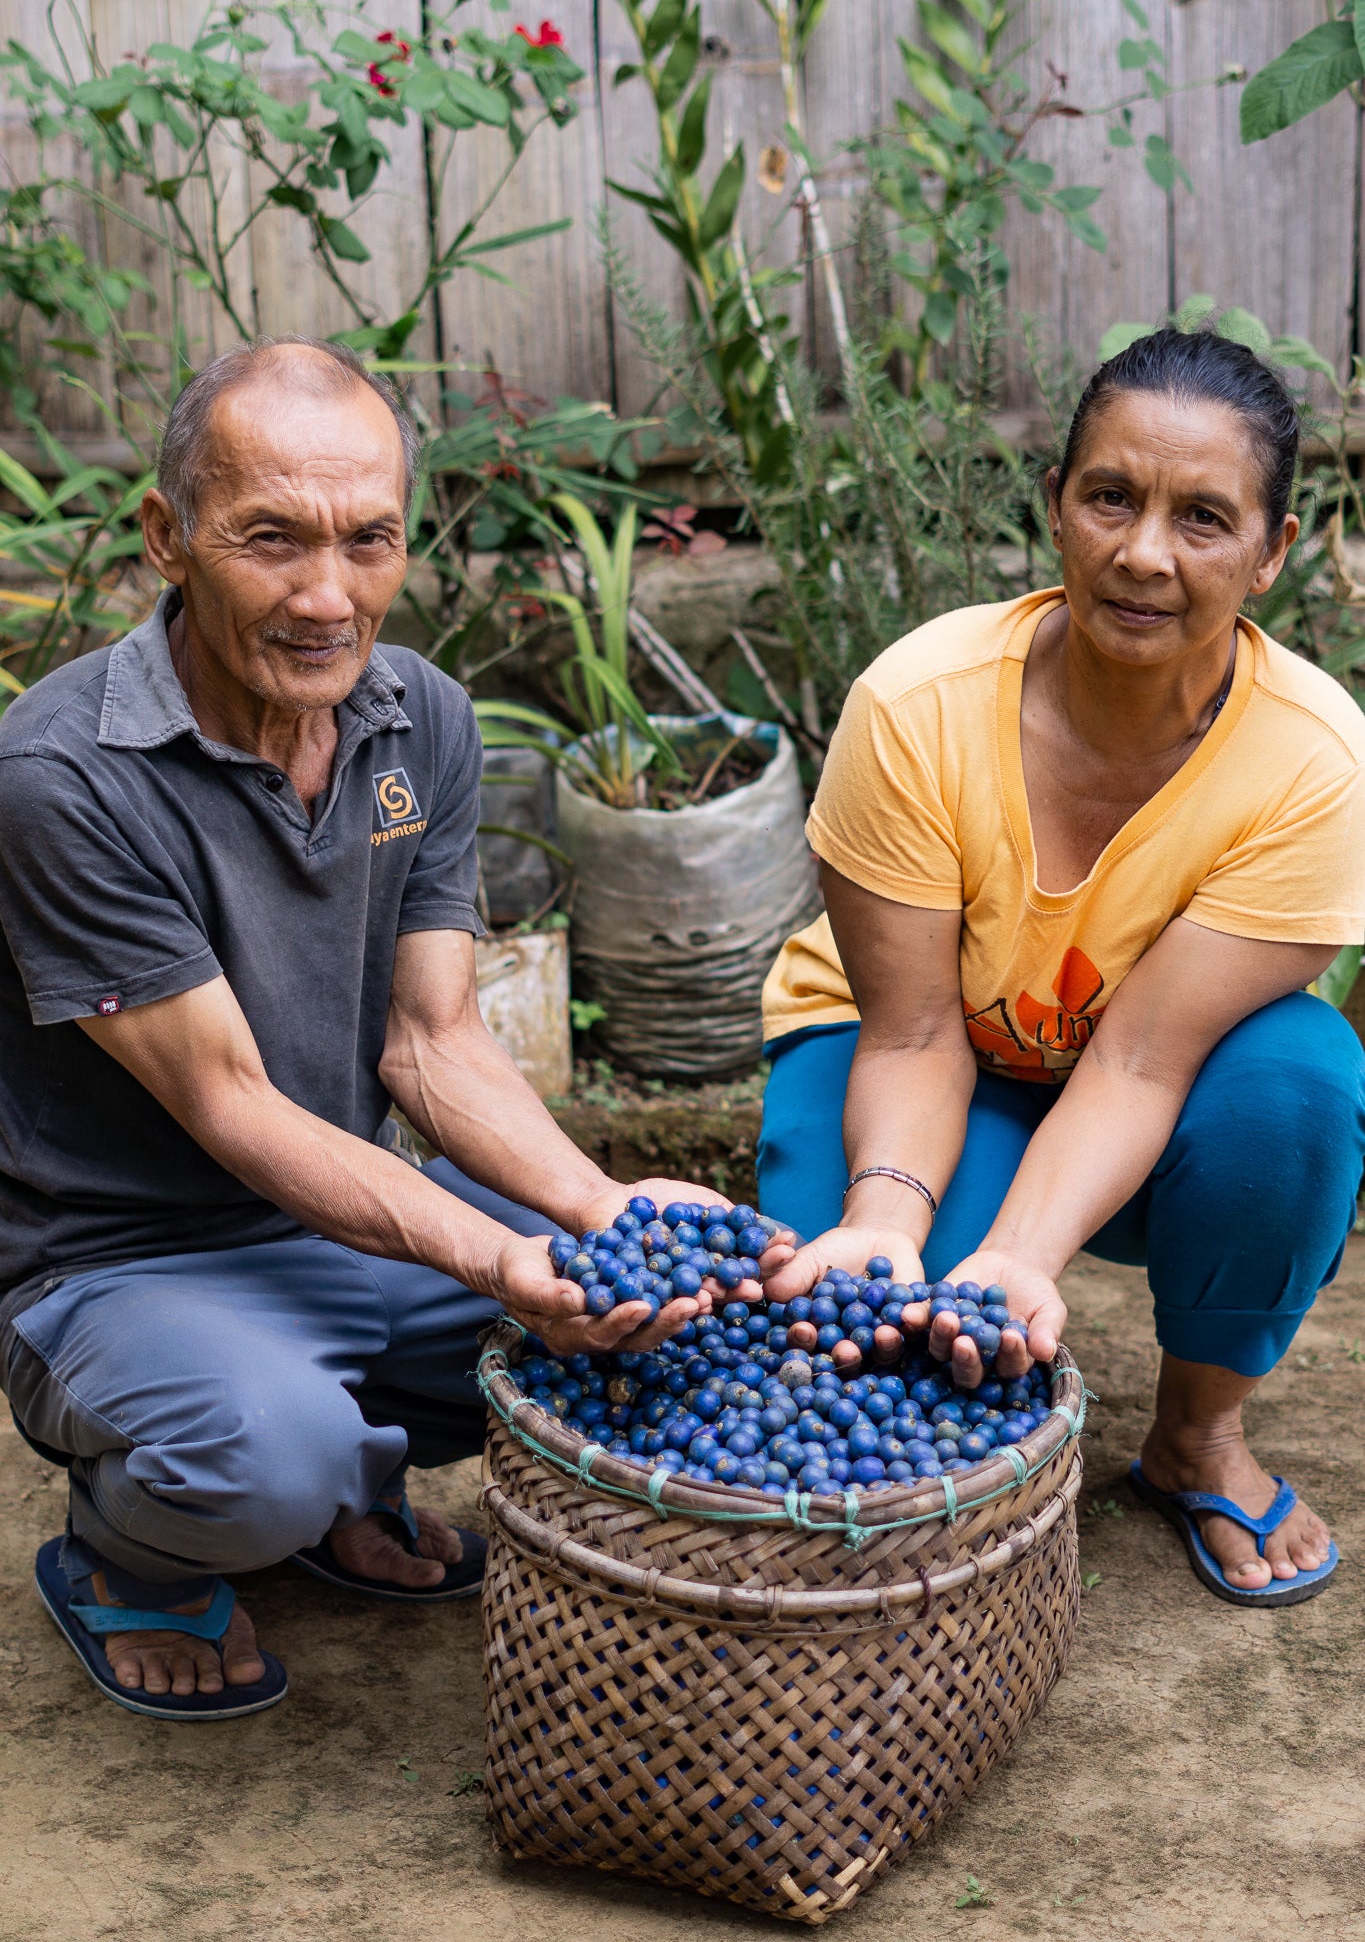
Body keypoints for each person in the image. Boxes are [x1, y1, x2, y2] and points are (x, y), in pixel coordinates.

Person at [0, 337, 724, 1720]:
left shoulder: (422, 720)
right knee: (263, 1459)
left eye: (369, 540)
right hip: (111, 1262)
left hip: (333, 1218)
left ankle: (352, 1472)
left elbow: (433, 1044)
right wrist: (510, 1258)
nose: (328, 596)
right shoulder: (60, 777)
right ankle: (133, 1559)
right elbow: (233, 1105)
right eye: (271, 539)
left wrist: (601, 1207)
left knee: (645, 1320)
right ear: (169, 537)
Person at [757, 326, 1365, 1608]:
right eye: (1110, 497)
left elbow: (1146, 1054)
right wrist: (886, 1217)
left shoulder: (1313, 762)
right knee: (875, 1350)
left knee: (1301, 1088)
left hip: (1153, 1081)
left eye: (1203, 516)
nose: (1144, 553)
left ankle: (1195, 1431)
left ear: (1274, 551)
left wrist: (1024, 1251)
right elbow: (913, 1034)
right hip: (910, 1055)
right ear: (1055, 507)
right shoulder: (914, 705)